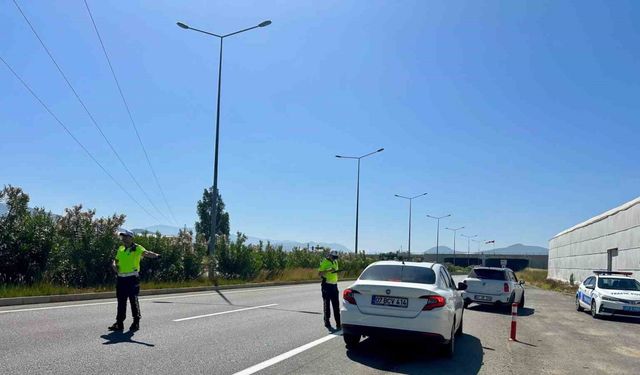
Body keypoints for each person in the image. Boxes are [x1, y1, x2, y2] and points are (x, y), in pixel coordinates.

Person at [108, 229, 160, 332]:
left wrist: (156, 256)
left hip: (132, 279)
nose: (123, 238)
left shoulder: (137, 248)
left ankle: (136, 322)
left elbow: (146, 253)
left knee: (133, 300)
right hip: (121, 279)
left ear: (131, 238)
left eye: (126, 236)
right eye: (122, 236)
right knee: (121, 302)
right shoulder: (121, 248)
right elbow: (116, 260)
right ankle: (119, 323)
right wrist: (114, 265)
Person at [318, 250, 341, 330]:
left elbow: (335, 271)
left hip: (334, 285)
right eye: (334, 257)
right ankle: (327, 321)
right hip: (326, 285)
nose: (335, 259)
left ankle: (338, 323)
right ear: (330, 256)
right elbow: (320, 273)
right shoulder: (324, 262)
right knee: (327, 304)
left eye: (336, 257)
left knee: (336, 305)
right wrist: (328, 270)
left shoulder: (335, 262)